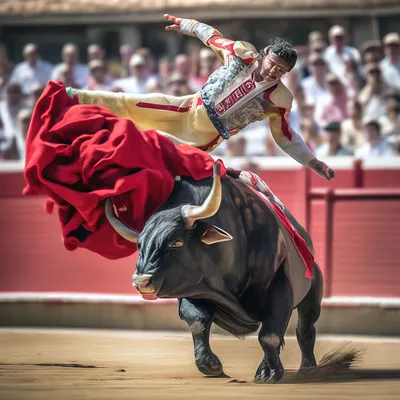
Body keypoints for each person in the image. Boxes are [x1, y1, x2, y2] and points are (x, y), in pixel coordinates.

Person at [64, 14, 334, 181]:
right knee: (130, 103)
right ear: (265, 54)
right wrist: (187, 24)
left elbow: (285, 136)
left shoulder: (281, 99)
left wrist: (312, 161)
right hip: (187, 107)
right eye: (274, 63)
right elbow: (213, 38)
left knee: (162, 160)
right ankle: (74, 98)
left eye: (282, 70)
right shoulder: (242, 53)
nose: (275, 70)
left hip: (205, 137)